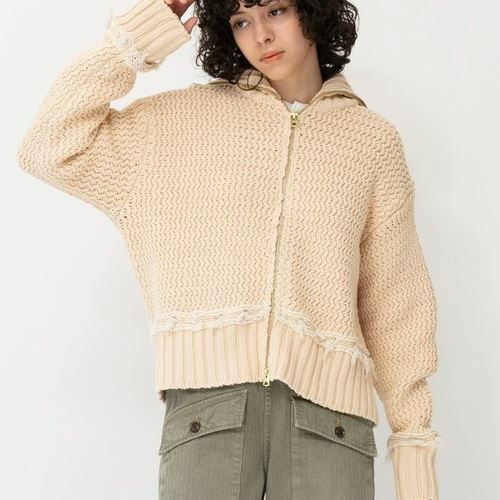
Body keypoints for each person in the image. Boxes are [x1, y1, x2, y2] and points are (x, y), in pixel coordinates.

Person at [16, 0, 443, 498]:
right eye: (241, 21)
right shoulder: (176, 124)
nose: (260, 35)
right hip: (207, 413)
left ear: (313, 11)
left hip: (332, 427)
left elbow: (395, 305)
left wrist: (414, 449)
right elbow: (49, 147)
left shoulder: (371, 144)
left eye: (275, 10)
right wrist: (136, 38)